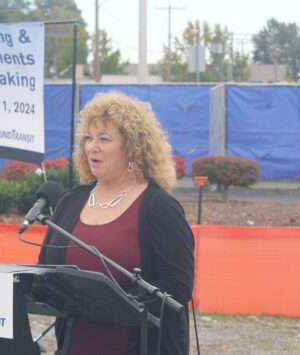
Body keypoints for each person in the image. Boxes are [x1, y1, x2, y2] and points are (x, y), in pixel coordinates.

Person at [38, 91, 194, 355]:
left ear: (132, 147)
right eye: (88, 138)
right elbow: (44, 268)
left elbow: (178, 285)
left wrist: (114, 302)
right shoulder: (70, 202)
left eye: (104, 139)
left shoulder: (158, 207)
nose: (91, 147)